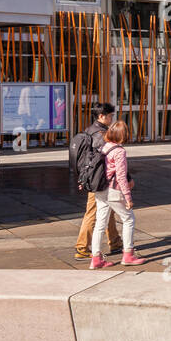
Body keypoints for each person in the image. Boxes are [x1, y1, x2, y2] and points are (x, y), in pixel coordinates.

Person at [70, 102, 121, 261]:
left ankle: (115, 242)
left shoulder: (89, 130)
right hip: (99, 180)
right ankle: (82, 248)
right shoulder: (101, 134)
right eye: (110, 115)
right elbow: (108, 158)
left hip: (95, 178)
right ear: (101, 116)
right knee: (93, 212)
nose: (112, 118)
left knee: (109, 209)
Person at [90, 121, 144, 269]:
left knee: (100, 224)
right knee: (129, 219)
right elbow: (121, 176)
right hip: (113, 190)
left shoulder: (104, 147)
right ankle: (128, 255)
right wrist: (128, 198)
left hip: (100, 190)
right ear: (124, 135)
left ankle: (96, 259)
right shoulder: (119, 151)